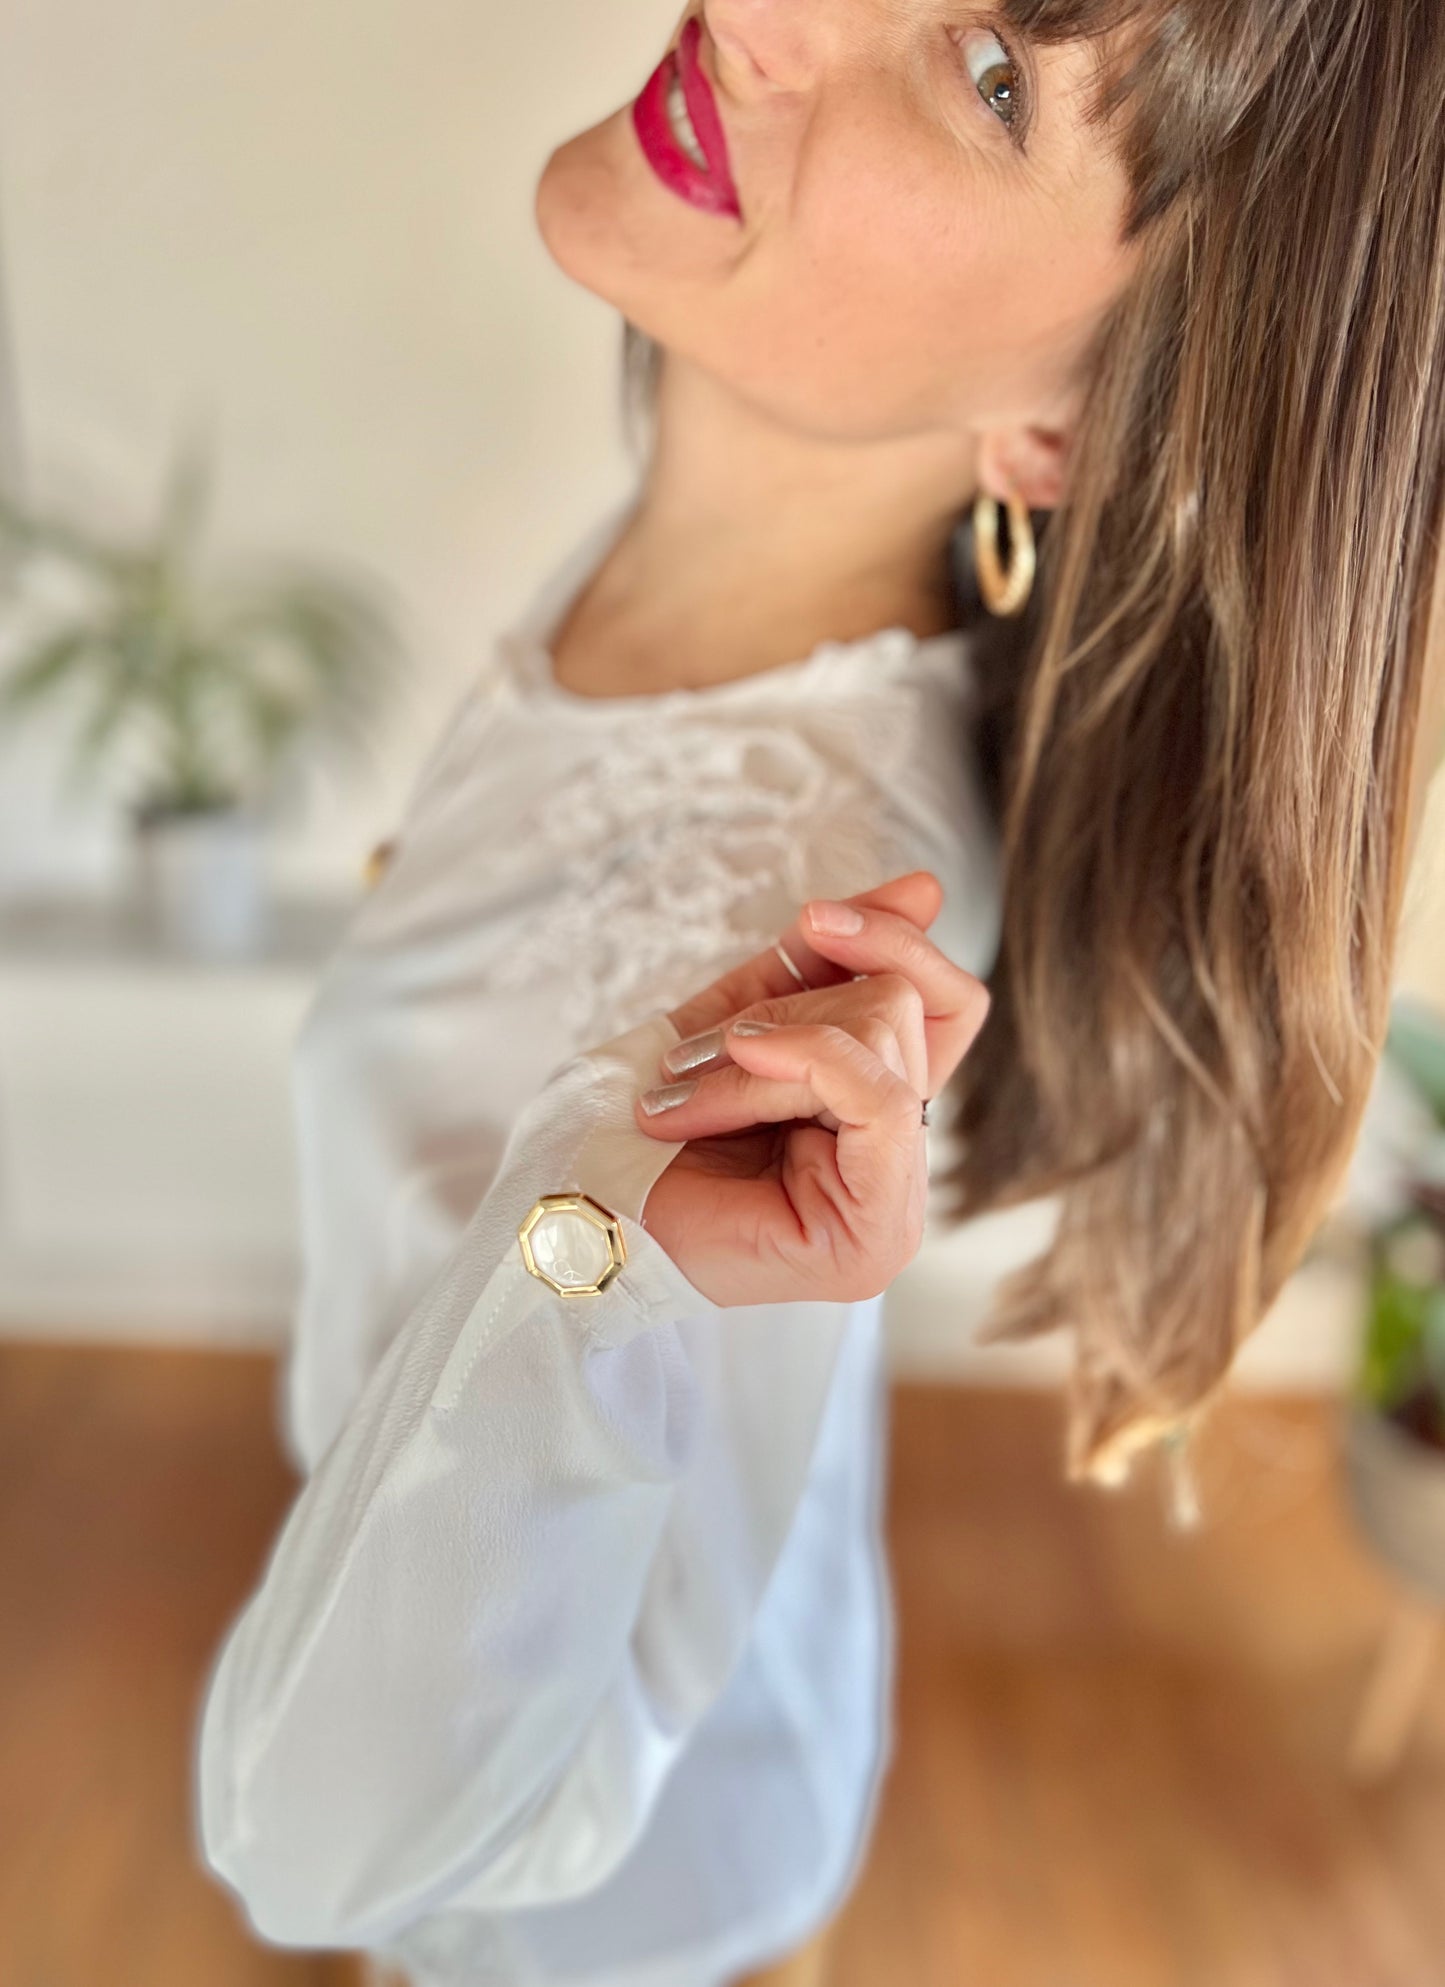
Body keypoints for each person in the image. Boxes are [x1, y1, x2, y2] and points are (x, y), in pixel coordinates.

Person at [193, 2, 1445, 1984]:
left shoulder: (746, 920)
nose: (778, 16)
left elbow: (320, 1851)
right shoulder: (720, 596)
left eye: (999, 79)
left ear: (1075, 429)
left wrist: (584, 1268)